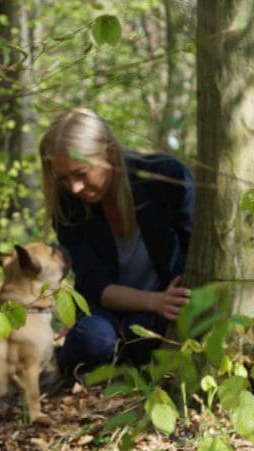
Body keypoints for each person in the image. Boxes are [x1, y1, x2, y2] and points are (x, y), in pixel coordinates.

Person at [40, 107, 195, 373]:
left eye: (81, 173)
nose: (74, 188)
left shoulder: (165, 179)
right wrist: (153, 301)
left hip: (164, 305)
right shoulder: (68, 206)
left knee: (143, 335)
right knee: (92, 341)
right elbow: (94, 284)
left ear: (109, 153)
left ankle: (125, 357)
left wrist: (164, 302)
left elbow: (193, 248)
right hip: (108, 308)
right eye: (64, 178)